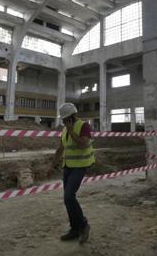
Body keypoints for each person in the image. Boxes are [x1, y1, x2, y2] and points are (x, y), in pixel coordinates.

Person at [50, 103, 95, 244]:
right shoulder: (65, 130)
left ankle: (83, 225)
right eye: (63, 120)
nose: (63, 122)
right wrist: (52, 165)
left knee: (69, 196)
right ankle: (74, 229)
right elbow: (61, 148)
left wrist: (71, 131)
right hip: (68, 167)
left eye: (65, 119)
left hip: (80, 166)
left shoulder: (84, 126)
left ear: (72, 116)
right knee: (67, 199)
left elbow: (83, 144)